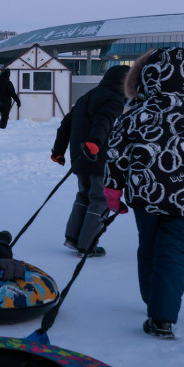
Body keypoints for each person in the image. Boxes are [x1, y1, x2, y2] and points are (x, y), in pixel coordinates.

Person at [103, 47, 184, 340]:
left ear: (145, 80)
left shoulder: (134, 116)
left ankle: (153, 300)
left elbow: (116, 153)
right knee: (175, 255)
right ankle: (162, 317)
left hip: (146, 196)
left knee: (149, 248)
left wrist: (113, 187)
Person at [50, 64, 130, 257]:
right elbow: (103, 120)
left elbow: (65, 125)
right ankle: (87, 246)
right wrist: (94, 142)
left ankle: (72, 238)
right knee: (99, 200)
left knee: (84, 195)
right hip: (97, 157)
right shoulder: (115, 99)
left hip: (80, 158)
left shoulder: (87, 96)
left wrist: (58, 151)